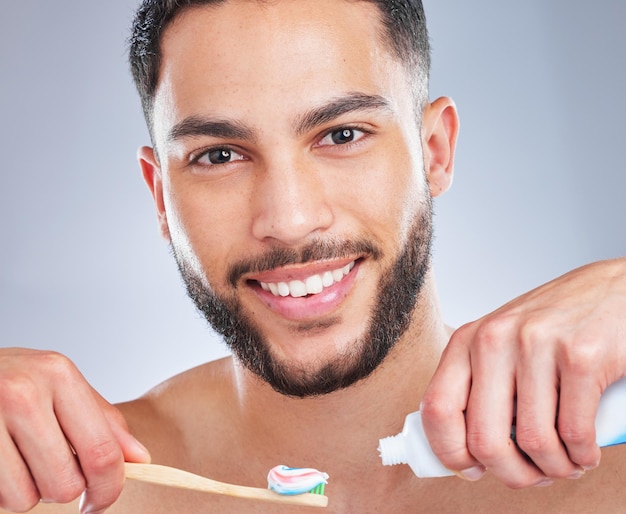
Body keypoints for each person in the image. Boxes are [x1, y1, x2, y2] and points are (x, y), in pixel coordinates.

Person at [0, 1, 624, 512]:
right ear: (160, 195)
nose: (290, 219)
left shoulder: (609, 458)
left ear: (435, 151)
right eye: (219, 155)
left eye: (342, 135)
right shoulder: (60, 490)